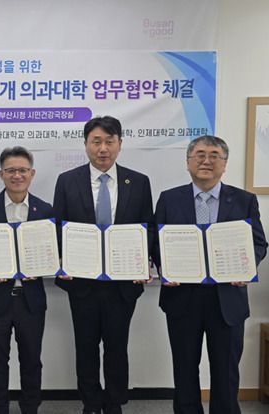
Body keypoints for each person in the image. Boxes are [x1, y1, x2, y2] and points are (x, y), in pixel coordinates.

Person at [155, 135, 267, 414]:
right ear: (188, 162)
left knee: (226, 372)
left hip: (227, 299)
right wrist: (165, 267)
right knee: (184, 369)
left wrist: (246, 267)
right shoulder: (169, 199)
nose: (206, 161)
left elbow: (258, 243)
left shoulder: (244, 200)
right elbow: (156, 243)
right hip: (182, 298)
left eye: (214, 155)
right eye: (200, 155)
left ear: (224, 164)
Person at [52, 116, 153, 414]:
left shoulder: (139, 181)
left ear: (120, 144)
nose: (103, 148)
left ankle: (114, 402)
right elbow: (58, 228)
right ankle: (90, 402)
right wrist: (60, 261)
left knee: (117, 346)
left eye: (109, 141)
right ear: (86, 144)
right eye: (96, 141)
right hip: (82, 283)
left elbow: (147, 227)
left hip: (122, 284)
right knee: (85, 347)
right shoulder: (67, 181)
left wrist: (144, 262)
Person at [0, 146, 53, 414]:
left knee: (31, 360)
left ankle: (30, 408)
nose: (17, 175)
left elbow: (53, 253)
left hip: (31, 300)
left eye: (22, 170)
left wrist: (46, 266)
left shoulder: (45, 210)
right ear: (1, 174)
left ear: (32, 173)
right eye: (11, 170)